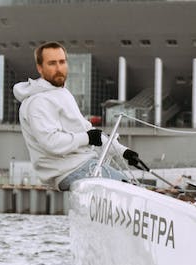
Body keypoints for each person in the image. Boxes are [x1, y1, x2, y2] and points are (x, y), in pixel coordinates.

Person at [13, 41, 147, 190]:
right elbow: (51, 142)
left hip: (83, 165)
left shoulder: (62, 94)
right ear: (40, 68)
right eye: (52, 63)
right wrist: (87, 138)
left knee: (132, 188)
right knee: (131, 190)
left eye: (62, 62)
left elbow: (89, 131)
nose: (59, 68)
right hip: (69, 171)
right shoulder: (38, 102)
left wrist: (124, 152)